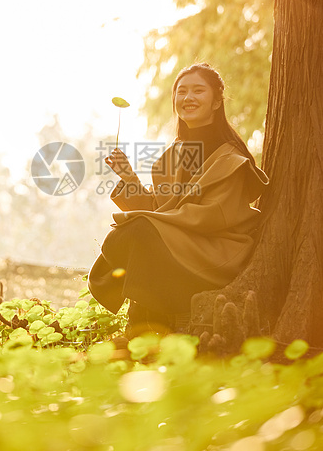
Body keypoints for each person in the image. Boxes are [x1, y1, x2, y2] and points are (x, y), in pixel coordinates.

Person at [88, 63, 269, 338]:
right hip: (182, 240)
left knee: (139, 229)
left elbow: (211, 216)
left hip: (218, 247)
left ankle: (156, 321)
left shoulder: (231, 158)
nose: (188, 98)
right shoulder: (174, 155)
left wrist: (151, 220)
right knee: (136, 232)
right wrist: (130, 177)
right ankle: (146, 322)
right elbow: (159, 209)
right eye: (181, 92)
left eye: (198, 90)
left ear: (217, 101)